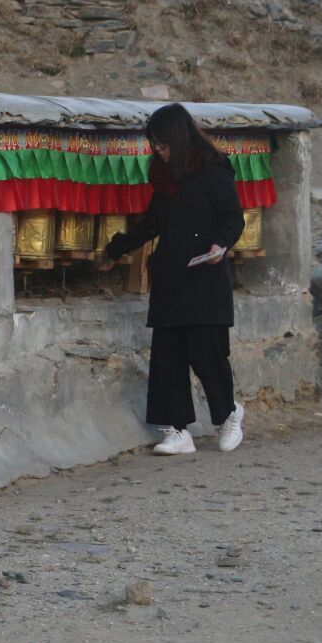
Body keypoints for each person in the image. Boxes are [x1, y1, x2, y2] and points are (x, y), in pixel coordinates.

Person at [98, 103, 247, 455]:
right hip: (170, 278)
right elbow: (153, 223)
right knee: (167, 358)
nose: (158, 151)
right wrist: (115, 249)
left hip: (205, 278)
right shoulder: (165, 180)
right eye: (154, 145)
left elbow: (233, 218)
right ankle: (176, 431)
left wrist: (220, 245)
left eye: (162, 144)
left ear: (179, 140)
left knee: (206, 354)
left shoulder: (214, 171)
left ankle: (228, 415)